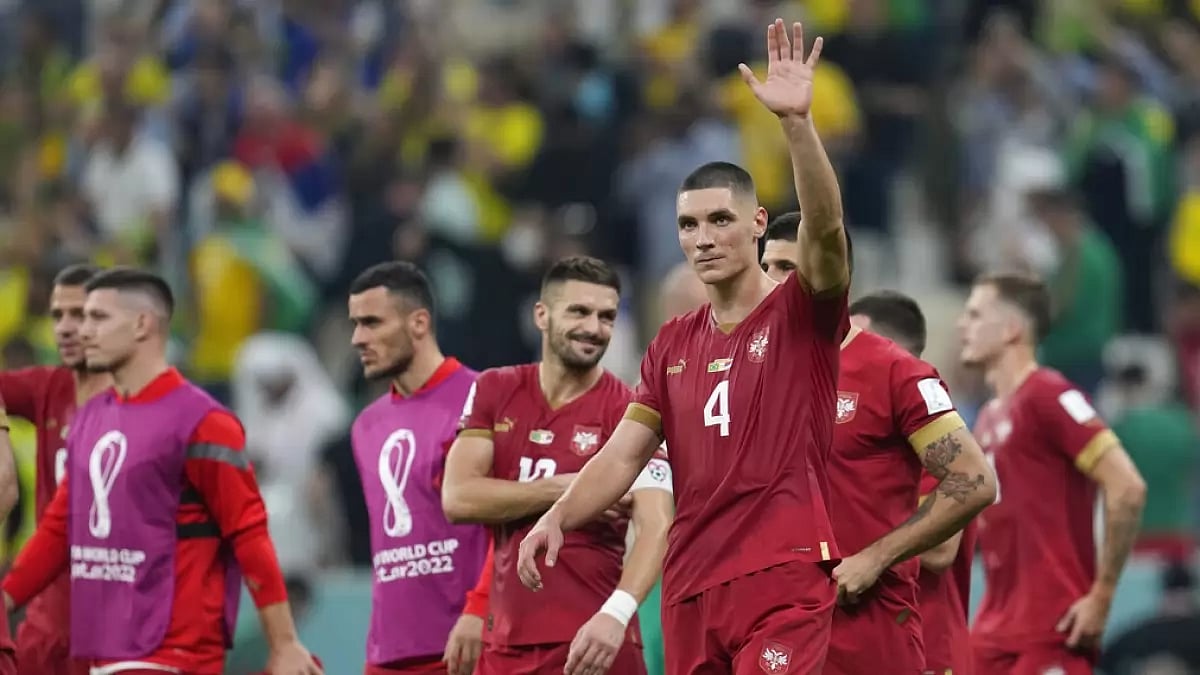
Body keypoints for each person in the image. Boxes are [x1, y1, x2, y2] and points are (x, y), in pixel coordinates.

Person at [519, 20, 949, 674]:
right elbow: (624, 454)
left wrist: (798, 125)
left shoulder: (800, 314)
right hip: (692, 583)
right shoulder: (671, 342)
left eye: (720, 219)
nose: (703, 236)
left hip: (781, 576)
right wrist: (560, 514)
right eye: (688, 224)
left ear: (755, 225)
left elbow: (828, 232)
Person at [1, 268, 321, 675]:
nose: (82, 332)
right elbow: (59, 527)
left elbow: (249, 534)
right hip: (107, 655)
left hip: (172, 656)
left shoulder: (202, 423)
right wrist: (5, 598)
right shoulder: (94, 418)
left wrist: (284, 642)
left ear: (141, 325)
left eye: (97, 319)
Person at [760, 216, 993, 674]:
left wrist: (874, 557)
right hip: (780, 631)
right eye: (766, 268)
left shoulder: (894, 373)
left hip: (870, 629)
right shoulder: (757, 374)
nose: (772, 284)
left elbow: (975, 480)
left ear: (833, 270)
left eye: (788, 268)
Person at [442, 256, 672, 675]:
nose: (594, 328)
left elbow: (658, 525)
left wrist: (617, 613)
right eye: (579, 311)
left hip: (593, 644)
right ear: (542, 315)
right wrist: (570, 488)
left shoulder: (632, 408)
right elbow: (458, 497)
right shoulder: (495, 389)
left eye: (607, 316)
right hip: (504, 645)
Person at [960, 272, 1148, 675]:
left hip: (1051, 628)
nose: (962, 326)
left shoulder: (1050, 395)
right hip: (994, 630)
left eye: (975, 315)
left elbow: (1127, 487)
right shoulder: (989, 417)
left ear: (1012, 329)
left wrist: (1102, 596)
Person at [345, 261, 490, 674]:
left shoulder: (482, 398)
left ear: (419, 323)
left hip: (466, 648)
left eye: (372, 323)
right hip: (389, 654)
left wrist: (479, 609)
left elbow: (513, 526)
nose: (358, 339)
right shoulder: (365, 426)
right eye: (355, 324)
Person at [845, 290, 981, 675]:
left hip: (927, 652)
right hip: (875, 645)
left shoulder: (919, 424)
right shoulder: (865, 426)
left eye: (850, 338)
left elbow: (940, 549)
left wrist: (854, 551)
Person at [0, 263, 113, 675]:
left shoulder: (152, 404)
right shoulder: (47, 388)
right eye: (57, 315)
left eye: (79, 314)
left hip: (117, 614)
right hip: (49, 612)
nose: (65, 327)